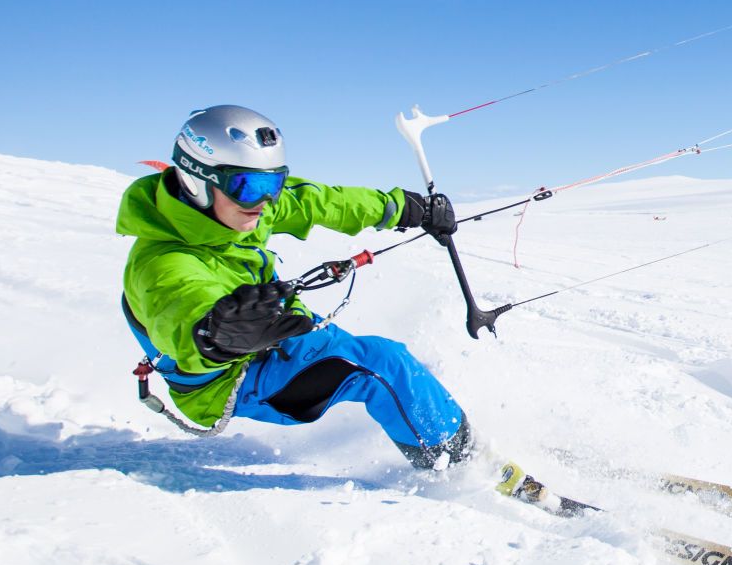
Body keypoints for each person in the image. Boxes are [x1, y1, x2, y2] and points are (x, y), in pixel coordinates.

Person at [115, 104, 479, 469]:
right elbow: (182, 311)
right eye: (250, 186)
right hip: (230, 379)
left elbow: (319, 201)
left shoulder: (235, 205)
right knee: (382, 363)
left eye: (272, 183)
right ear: (197, 179)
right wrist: (216, 337)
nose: (264, 202)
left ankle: (439, 432)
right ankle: (458, 461)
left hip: (275, 333)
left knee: (368, 357)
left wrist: (402, 208)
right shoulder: (160, 265)